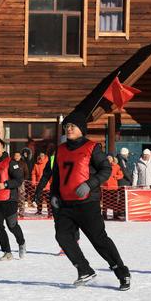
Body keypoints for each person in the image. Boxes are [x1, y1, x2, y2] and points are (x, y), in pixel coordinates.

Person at [50, 113, 130, 291]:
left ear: (82, 130)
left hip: (87, 203)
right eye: (67, 126)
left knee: (99, 240)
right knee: (62, 236)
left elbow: (106, 169)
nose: (68, 128)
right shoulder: (60, 149)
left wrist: (89, 184)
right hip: (66, 204)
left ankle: (122, 273)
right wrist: (54, 195)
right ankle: (84, 269)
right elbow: (57, 176)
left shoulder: (92, 147)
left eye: (73, 126)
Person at [101, 154, 123, 220]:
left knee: (114, 202)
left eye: (110, 158)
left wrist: (116, 177)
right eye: (108, 158)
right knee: (105, 202)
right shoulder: (103, 166)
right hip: (105, 187)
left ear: (113, 158)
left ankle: (115, 214)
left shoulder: (116, 166)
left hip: (113, 187)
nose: (109, 159)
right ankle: (104, 215)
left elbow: (121, 175)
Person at [31, 151, 50, 215]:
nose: (41, 157)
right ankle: (39, 211)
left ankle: (50, 212)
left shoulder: (48, 163)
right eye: (40, 155)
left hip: (47, 184)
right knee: (39, 199)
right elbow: (33, 173)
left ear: (45, 156)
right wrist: (33, 181)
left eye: (42, 155)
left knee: (48, 199)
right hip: (39, 184)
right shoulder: (36, 164)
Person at [12, 151, 29, 217]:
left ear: (20, 156)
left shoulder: (23, 163)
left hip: (21, 183)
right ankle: (14, 213)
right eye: (15, 155)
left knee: (21, 198)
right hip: (13, 183)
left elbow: (27, 173)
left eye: (18, 156)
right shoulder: (11, 163)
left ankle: (21, 212)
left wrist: (23, 180)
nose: (16, 157)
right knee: (13, 198)